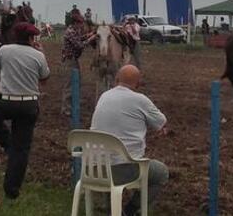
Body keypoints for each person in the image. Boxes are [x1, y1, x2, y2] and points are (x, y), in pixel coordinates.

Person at [90, 65, 169, 216]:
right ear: (138, 84)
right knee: (161, 172)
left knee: (110, 158)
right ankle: (131, 210)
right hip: (122, 171)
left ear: (116, 80)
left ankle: (113, 210)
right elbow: (161, 121)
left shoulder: (104, 96)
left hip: (94, 169)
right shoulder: (140, 100)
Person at [0, 22, 49, 199]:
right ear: (31, 38)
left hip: (6, 102)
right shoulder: (38, 55)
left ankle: (6, 142)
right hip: (28, 105)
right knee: (21, 150)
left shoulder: (4, 50)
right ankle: (12, 190)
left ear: (15, 35)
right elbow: (44, 78)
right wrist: (40, 52)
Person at [60, 20, 96, 116]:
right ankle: (66, 109)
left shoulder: (73, 31)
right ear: (76, 23)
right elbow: (79, 45)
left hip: (73, 60)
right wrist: (91, 39)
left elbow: (79, 38)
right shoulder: (70, 32)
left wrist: (88, 35)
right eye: (80, 24)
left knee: (76, 82)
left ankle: (71, 105)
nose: (82, 26)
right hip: (70, 61)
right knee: (69, 84)